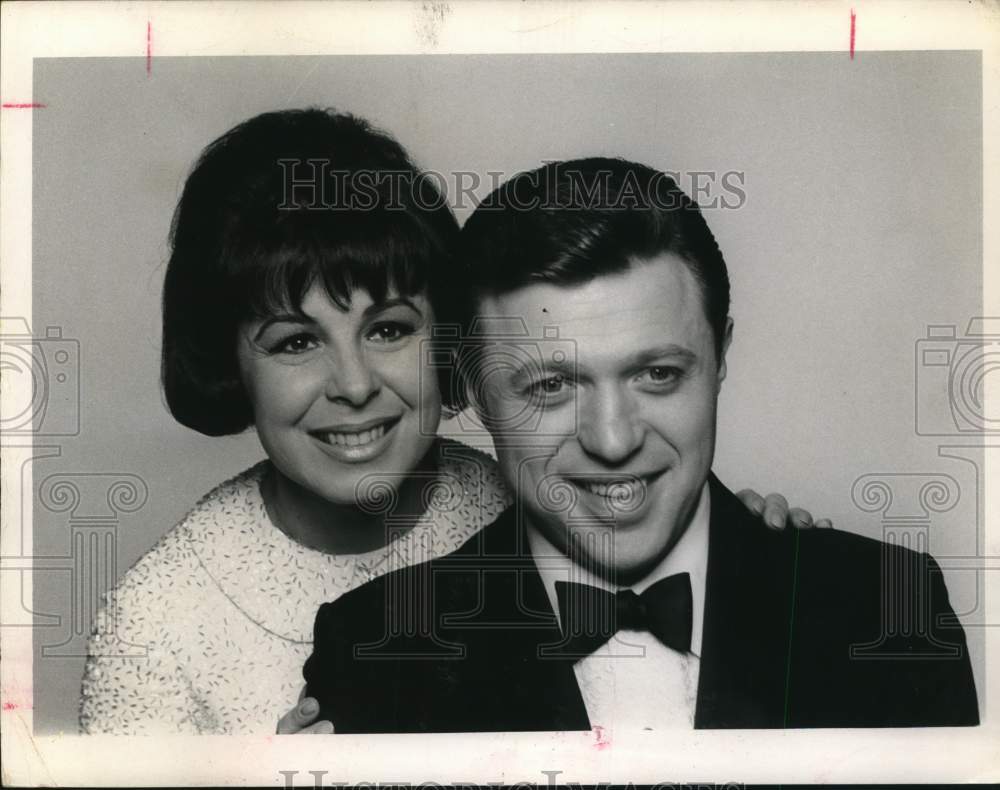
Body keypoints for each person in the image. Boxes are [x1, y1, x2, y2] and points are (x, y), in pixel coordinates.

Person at [79, 112, 814, 735]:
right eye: (296, 342)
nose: (356, 386)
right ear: (228, 361)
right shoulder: (157, 629)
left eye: (390, 329)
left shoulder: (539, 484)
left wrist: (750, 554)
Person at [304, 157, 979, 731]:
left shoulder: (891, 609)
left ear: (719, 358)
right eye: (550, 387)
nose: (613, 440)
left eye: (657, 375)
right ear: (478, 396)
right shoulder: (373, 649)